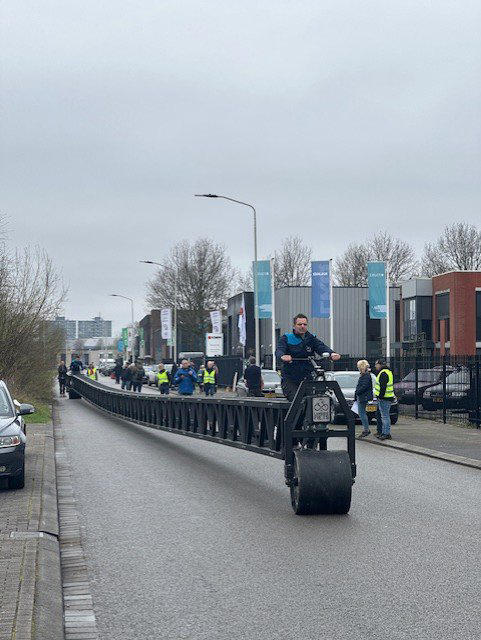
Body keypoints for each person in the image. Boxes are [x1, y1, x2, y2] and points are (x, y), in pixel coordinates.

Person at [275, 313, 341, 402]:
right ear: (294, 325)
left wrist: (332, 354)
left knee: (312, 402)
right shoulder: (286, 338)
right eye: (299, 324)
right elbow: (279, 350)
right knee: (296, 402)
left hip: (307, 378)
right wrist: (283, 356)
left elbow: (321, 347)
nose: (302, 326)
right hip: (290, 379)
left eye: (305, 324)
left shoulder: (311, 338)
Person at [373, 358, 394, 440]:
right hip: (387, 397)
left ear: (380, 364)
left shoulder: (383, 373)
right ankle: (384, 432)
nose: (375, 366)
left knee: (384, 416)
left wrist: (380, 397)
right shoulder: (388, 372)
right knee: (384, 416)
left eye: (376, 364)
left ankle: (386, 433)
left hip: (384, 398)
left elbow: (383, 387)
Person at [355, 359, 373, 438]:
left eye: (358, 366)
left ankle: (366, 430)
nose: (357, 368)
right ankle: (366, 429)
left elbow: (364, 386)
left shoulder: (365, 375)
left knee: (362, 413)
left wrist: (357, 392)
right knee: (361, 413)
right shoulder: (365, 375)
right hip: (362, 396)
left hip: (363, 396)